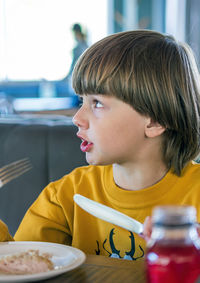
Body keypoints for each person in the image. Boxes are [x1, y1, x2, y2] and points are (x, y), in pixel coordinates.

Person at [1, 30, 200, 260]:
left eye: (96, 103)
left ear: (154, 121)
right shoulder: (65, 196)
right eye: (81, 100)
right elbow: (21, 264)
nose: (77, 118)